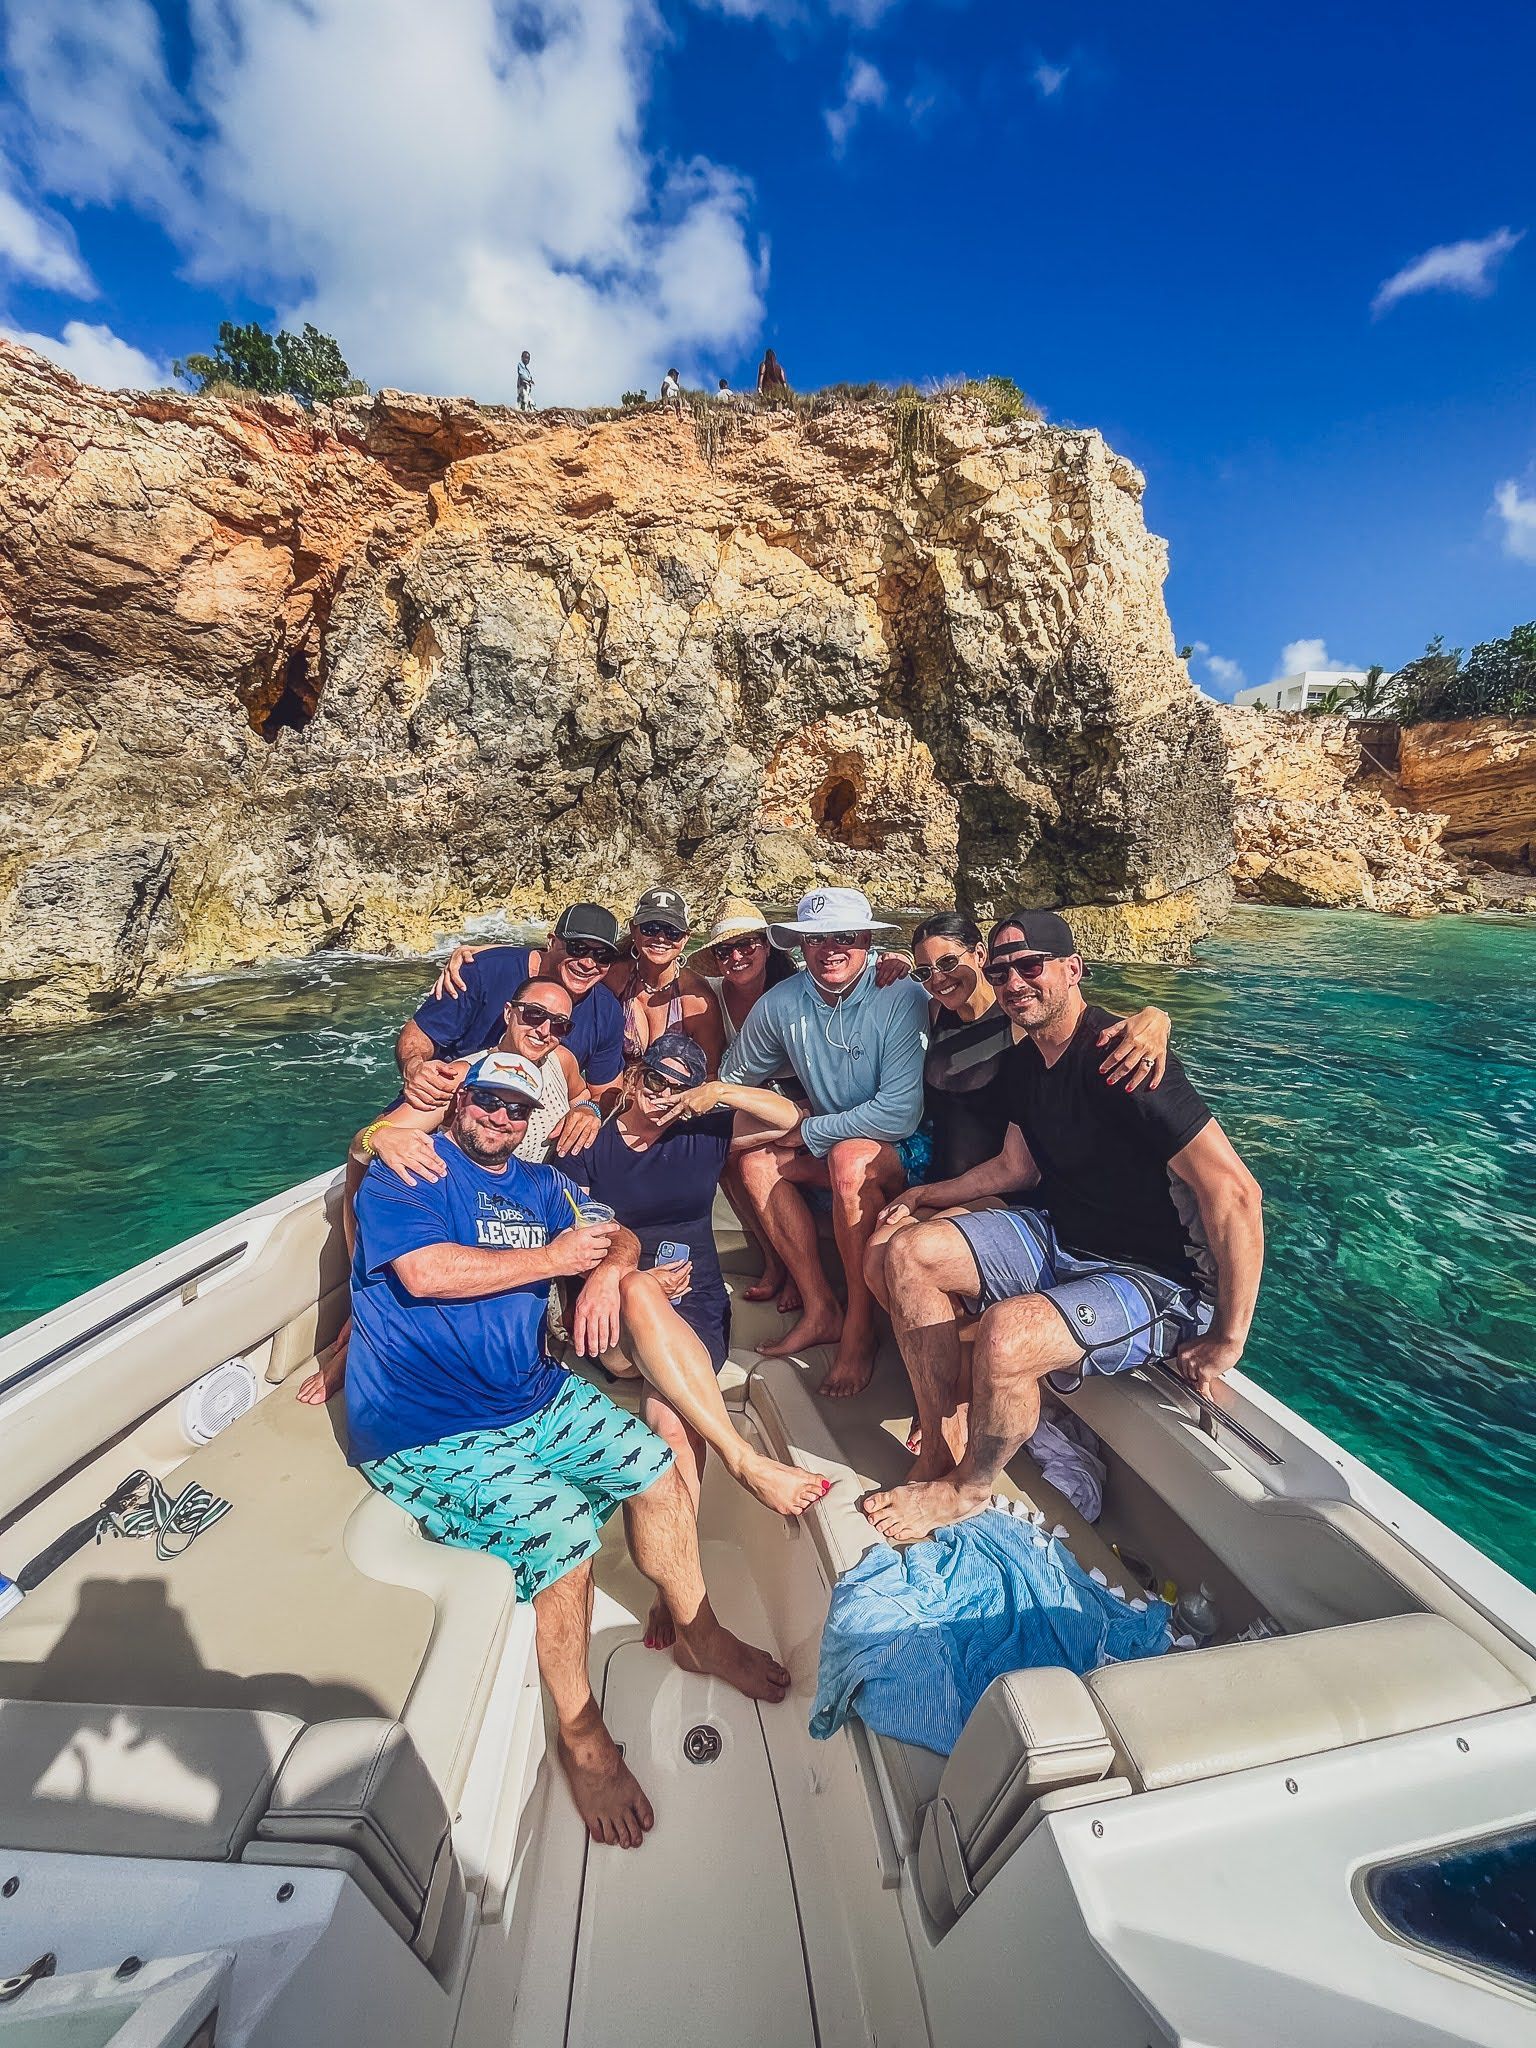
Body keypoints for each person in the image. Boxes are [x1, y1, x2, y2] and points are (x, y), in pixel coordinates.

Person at [347, 1048, 789, 1849]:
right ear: (459, 1104)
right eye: (485, 1102)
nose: (499, 1119)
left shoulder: (541, 1184)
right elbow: (427, 1273)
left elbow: (613, 1233)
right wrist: (555, 1261)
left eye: (516, 1109)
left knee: (657, 1473)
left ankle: (702, 1633)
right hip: (428, 1422)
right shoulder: (406, 1170)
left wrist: (604, 1275)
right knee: (562, 1532)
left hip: (534, 1394)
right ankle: (582, 1737)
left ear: (530, 1119)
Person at [862, 911, 1264, 1546]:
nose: (1017, 981)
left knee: (1008, 1334)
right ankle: (944, 1437)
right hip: (1062, 1238)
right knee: (911, 1253)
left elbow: (1235, 1192)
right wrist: (924, 1194)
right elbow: (1017, 1167)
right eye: (1002, 971)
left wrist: (1228, 1336)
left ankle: (969, 1489)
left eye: (1031, 966)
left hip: (1153, 1278)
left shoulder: (1126, 1059)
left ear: (1072, 969)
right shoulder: (1027, 1063)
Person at [565, 1031, 830, 1645]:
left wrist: (718, 1093)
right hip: (613, 1313)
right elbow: (573, 1234)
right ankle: (746, 1462)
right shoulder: (587, 1143)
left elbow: (793, 1120)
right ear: (634, 1075)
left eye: (677, 1089)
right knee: (637, 1293)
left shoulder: (702, 1134)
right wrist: (635, 1277)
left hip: (698, 1306)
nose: (661, 1098)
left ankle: (674, 1592)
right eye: (654, 1081)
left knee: (673, 1426)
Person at [298, 975, 596, 1406]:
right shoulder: (459, 1082)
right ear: (509, 1014)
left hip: (529, 1209)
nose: (544, 1031)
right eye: (534, 1016)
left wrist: (586, 1107)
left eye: (559, 1024)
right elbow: (363, 1160)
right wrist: (376, 1137)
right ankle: (356, 1347)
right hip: (464, 1220)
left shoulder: (561, 1061)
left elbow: (582, 1090)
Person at [864, 913, 1172, 1312]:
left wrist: (1156, 1017)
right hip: (943, 1177)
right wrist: (898, 965)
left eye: (947, 963)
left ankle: (967, 1352)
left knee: (899, 1255)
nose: (938, 978)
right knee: (875, 1256)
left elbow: (1077, 1019)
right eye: (926, 970)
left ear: (979, 955)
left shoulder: (1020, 1019)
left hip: (1001, 1191)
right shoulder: (937, 1010)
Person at [720, 887, 928, 1399]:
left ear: (866, 942)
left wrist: (806, 1129)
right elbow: (734, 1078)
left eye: (844, 937)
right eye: (816, 939)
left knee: (848, 1157)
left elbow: (901, 1114)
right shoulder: (783, 1003)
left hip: (909, 1147)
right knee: (755, 1164)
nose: (830, 949)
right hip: (831, 1139)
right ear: (800, 947)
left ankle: (859, 1326)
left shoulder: (900, 994)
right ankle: (821, 1308)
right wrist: (788, 1108)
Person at [400, 904, 626, 1122]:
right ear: (552, 942)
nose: (588, 963)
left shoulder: (606, 1011)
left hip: (529, 1119)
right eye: (578, 948)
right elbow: (421, 1032)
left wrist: (589, 1111)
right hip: (447, 1099)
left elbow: (606, 1093)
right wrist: (415, 1066)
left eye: (603, 956)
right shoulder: (484, 970)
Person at [611, 886, 724, 1071]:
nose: (661, 938)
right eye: (651, 928)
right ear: (634, 929)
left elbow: (709, 1074)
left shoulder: (697, 1001)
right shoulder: (615, 978)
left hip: (673, 1097)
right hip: (615, 1093)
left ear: (686, 938)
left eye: (672, 931)